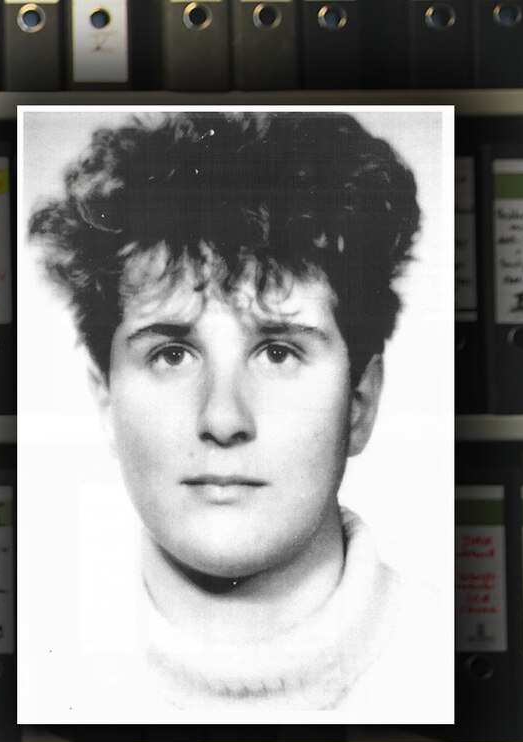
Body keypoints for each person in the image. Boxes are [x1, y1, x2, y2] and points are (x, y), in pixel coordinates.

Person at [27, 111, 424, 711]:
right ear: (105, 401)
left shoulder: (455, 667)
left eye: (279, 352)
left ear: (360, 404)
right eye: (171, 355)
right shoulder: (32, 678)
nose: (222, 418)